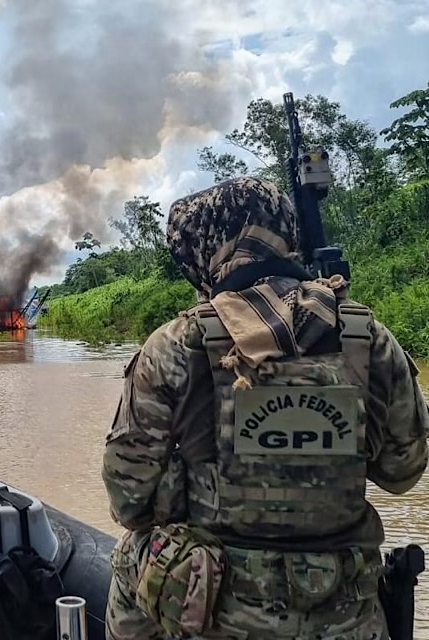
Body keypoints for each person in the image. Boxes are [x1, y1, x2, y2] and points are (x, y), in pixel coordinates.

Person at [102, 176, 429, 640]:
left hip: (215, 612)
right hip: (347, 613)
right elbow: (403, 474)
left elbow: (128, 500)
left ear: (205, 251)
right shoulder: (366, 335)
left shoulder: (176, 345)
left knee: (131, 551)